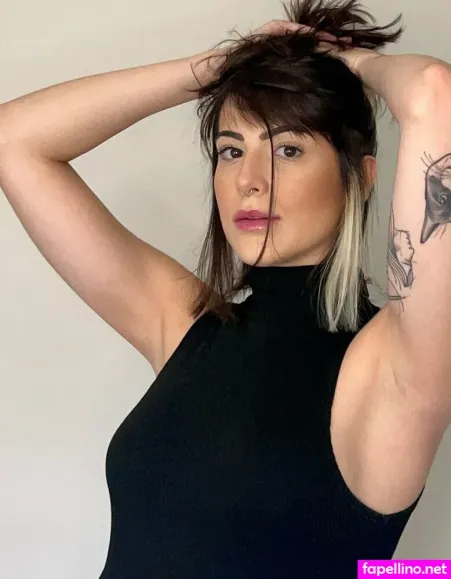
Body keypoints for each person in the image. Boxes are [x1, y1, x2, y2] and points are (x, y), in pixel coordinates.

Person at [1, 0, 451, 576]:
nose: (249, 180)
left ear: (360, 178)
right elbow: (14, 140)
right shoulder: (189, 326)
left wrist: (348, 62)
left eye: (288, 149)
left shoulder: (397, 364)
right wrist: (221, 66)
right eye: (231, 150)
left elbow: (434, 92)